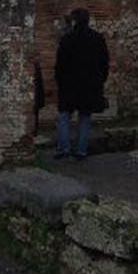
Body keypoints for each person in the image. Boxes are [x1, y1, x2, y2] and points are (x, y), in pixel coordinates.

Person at [54, 8, 109, 160]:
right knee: (85, 118)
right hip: (90, 86)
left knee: (64, 117)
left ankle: (63, 149)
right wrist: (99, 81)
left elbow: (60, 65)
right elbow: (104, 64)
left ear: (75, 21)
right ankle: (81, 151)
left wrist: (60, 82)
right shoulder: (97, 38)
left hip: (68, 86)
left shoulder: (67, 39)